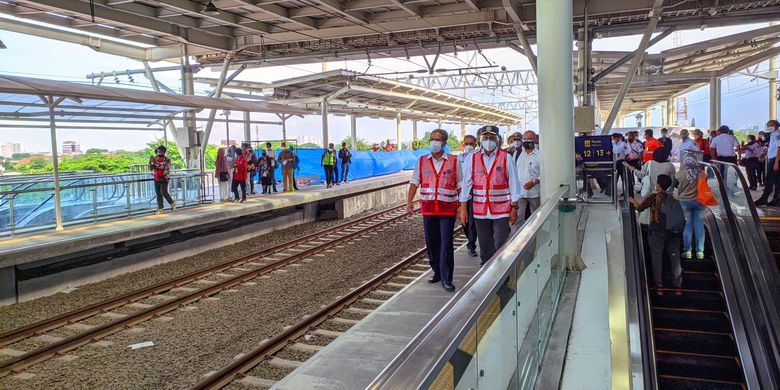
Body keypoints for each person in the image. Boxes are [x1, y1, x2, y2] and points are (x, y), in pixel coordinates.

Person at [459, 125, 521, 266]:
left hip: (502, 210)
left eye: (491, 137)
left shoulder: (506, 158)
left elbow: (514, 183)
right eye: (485, 137)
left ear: (497, 139)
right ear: (480, 139)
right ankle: (486, 272)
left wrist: (514, 207)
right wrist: (463, 208)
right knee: (485, 245)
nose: (488, 140)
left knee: (500, 243)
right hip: (480, 211)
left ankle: (502, 276)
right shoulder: (472, 158)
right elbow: (466, 184)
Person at [407, 128, 460, 291]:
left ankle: (447, 277)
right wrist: (409, 201)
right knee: (432, 243)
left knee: (446, 244)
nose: (434, 142)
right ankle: (437, 271)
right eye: (432, 139)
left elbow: (460, 185)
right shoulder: (422, 161)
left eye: (438, 139)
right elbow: (415, 181)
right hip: (429, 209)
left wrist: (461, 207)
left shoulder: (454, 161)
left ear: (444, 142)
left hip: (447, 209)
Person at [629, 174, 684, 295]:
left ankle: (659, 288)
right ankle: (678, 287)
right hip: (673, 232)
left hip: (657, 231)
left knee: (656, 258)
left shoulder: (654, 197)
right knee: (675, 258)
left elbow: (640, 208)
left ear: (658, 185)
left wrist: (632, 201)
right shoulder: (673, 199)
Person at [628, 148, 677, 225]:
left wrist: (634, 169)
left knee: (651, 216)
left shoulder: (650, 163)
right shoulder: (670, 166)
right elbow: (673, 181)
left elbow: (641, 175)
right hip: (666, 195)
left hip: (652, 194)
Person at [676, 156, 706, 260]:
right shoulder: (702, 173)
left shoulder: (681, 173)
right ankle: (700, 252)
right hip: (700, 202)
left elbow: (675, 184)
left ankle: (687, 251)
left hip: (684, 202)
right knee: (699, 226)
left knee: (687, 226)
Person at [458, 135, 479, 258]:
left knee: (472, 220)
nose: (469, 146)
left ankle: (471, 245)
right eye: (466, 143)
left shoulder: (477, 157)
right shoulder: (458, 159)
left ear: (476, 144)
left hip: (474, 191)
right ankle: (470, 240)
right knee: (464, 221)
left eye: (471, 143)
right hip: (461, 191)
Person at [515, 131, 541, 225]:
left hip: (535, 193)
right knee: (517, 219)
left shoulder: (540, 154)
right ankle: (516, 239)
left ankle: (538, 238)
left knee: (537, 217)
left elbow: (545, 173)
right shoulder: (517, 154)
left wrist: (535, 182)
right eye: (525, 138)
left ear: (535, 140)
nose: (527, 140)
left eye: (530, 138)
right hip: (520, 193)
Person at [755, 120, 780, 207]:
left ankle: (764, 199)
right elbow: (769, 147)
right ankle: (776, 200)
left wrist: (776, 163)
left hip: (775, 159)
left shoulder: (777, 134)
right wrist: (763, 154)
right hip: (772, 159)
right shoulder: (772, 135)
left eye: (771, 125)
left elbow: (779, 148)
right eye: (768, 125)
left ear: (776, 125)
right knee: (777, 181)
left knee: (769, 180)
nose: (769, 127)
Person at [149, 145, 176, 214]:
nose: (159, 153)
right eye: (157, 151)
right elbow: (151, 168)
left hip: (164, 178)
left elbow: (163, 167)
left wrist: (155, 163)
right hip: (156, 178)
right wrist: (151, 163)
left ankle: (172, 203)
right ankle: (161, 208)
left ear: (164, 152)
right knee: (158, 194)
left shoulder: (167, 160)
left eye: (160, 151)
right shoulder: (155, 159)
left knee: (164, 192)